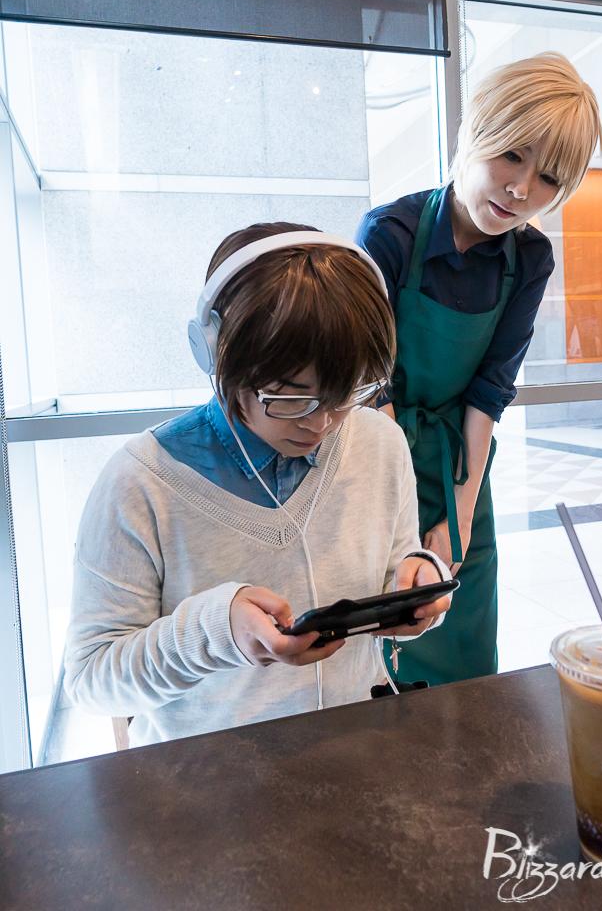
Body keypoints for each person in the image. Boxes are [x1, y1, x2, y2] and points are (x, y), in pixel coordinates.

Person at [64, 222, 452, 746]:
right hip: (209, 775)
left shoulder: (379, 440)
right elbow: (91, 682)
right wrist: (214, 632)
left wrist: (418, 586)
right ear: (217, 353)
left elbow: (394, 566)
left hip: (359, 748)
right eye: (292, 397)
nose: (321, 423)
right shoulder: (139, 485)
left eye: (346, 394)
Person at [356, 52, 602, 686]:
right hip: (377, 457)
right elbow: (371, 383)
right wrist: (403, 521)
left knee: (464, 651)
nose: (521, 190)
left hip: (460, 464)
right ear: (476, 132)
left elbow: (490, 391)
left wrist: (460, 516)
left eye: (548, 177)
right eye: (512, 155)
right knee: (387, 643)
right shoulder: (390, 234)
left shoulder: (530, 258)